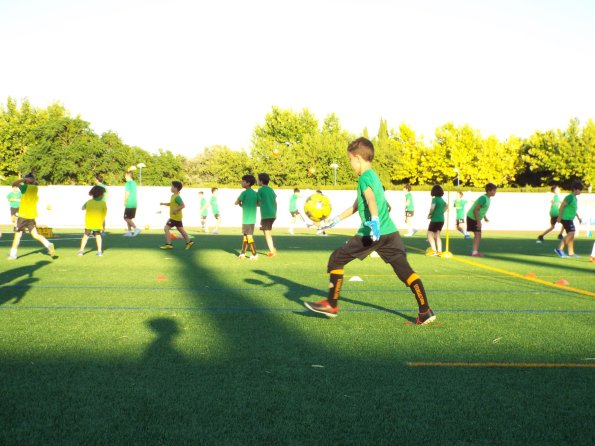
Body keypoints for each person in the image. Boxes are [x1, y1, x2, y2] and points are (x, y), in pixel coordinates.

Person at [304, 137, 436, 325]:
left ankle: (331, 304)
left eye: (350, 160)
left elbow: (371, 199)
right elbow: (357, 206)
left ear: (357, 158)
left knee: (336, 259)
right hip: (390, 234)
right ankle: (425, 311)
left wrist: (373, 221)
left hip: (372, 233)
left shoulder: (364, 177)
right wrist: (334, 220)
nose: (350, 164)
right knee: (405, 272)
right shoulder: (374, 176)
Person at [7, 173, 55, 260]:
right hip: (31, 216)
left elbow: (14, 184)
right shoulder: (35, 188)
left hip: (23, 216)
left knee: (17, 236)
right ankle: (48, 244)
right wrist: (29, 180)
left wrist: (22, 180)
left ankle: (13, 255)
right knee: (35, 235)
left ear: (27, 180)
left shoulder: (25, 187)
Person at [159, 181, 194, 250]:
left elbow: (183, 205)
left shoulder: (177, 197)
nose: (170, 188)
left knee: (166, 228)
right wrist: (164, 204)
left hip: (174, 217)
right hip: (177, 218)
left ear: (176, 188)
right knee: (181, 230)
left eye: (172, 186)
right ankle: (189, 242)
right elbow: (171, 204)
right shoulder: (173, 196)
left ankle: (169, 244)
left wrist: (176, 209)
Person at [466, 183, 497, 257]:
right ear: (489, 191)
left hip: (475, 218)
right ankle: (474, 252)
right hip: (472, 218)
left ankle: (474, 251)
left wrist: (485, 217)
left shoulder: (488, 198)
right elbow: (475, 210)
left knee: (478, 235)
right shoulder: (483, 198)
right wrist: (478, 222)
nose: (495, 192)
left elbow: (482, 209)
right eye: (494, 191)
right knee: (477, 235)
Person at [555, 181, 583, 258]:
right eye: (579, 189)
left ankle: (571, 253)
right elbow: (562, 206)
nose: (580, 191)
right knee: (571, 233)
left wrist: (578, 217)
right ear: (574, 189)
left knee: (572, 235)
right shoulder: (570, 197)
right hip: (565, 218)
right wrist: (559, 217)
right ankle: (559, 249)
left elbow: (573, 209)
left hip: (569, 219)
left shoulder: (574, 198)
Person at [78, 185, 107, 256]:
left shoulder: (89, 202)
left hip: (89, 223)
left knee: (85, 236)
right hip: (97, 223)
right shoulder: (103, 203)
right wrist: (103, 225)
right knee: (98, 235)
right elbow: (104, 213)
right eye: (103, 194)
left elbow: (82, 208)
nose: (103, 195)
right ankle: (99, 251)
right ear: (99, 195)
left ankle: (81, 251)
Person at [235, 174, 258, 260]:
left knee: (249, 237)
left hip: (246, 219)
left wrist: (241, 203)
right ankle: (242, 253)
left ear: (248, 183)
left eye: (243, 181)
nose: (241, 182)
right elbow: (258, 204)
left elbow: (236, 202)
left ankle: (254, 254)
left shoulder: (244, 193)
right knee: (245, 236)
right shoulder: (255, 193)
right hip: (252, 219)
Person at [256, 173, 277, 257]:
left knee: (267, 233)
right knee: (266, 232)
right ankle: (272, 249)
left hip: (266, 215)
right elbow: (275, 202)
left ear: (261, 181)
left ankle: (272, 250)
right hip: (272, 214)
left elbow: (258, 202)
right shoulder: (271, 190)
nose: (257, 181)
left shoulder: (260, 190)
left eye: (258, 180)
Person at [426, 184, 446, 256]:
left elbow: (432, 208)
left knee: (429, 234)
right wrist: (442, 211)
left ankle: (434, 250)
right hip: (441, 220)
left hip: (435, 219)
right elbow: (446, 206)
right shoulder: (441, 200)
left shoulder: (434, 199)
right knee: (437, 235)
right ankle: (439, 251)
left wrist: (430, 214)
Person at [123, 171, 140, 237]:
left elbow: (127, 193)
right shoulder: (134, 183)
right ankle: (129, 232)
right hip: (134, 203)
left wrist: (125, 201)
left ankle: (136, 228)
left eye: (125, 175)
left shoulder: (128, 183)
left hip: (129, 203)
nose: (125, 177)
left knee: (126, 218)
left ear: (128, 175)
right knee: (129, 218)